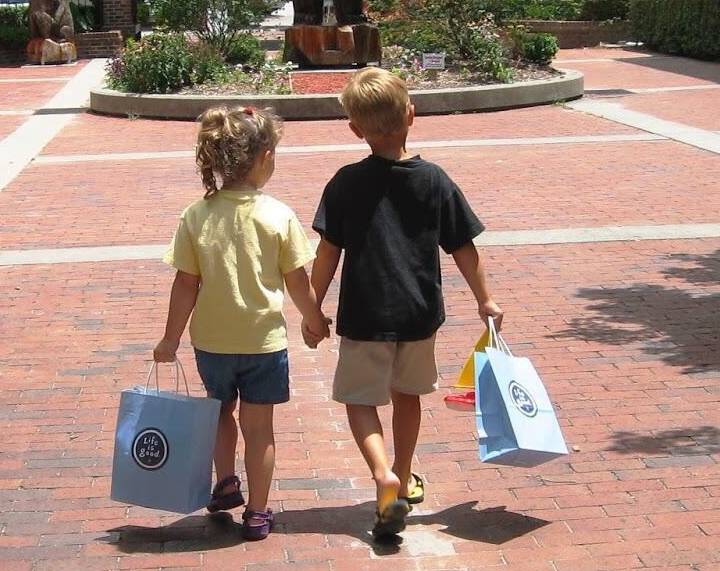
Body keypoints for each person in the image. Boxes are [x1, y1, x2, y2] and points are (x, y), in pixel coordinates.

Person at [307, 68, 502, 538]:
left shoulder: (345, 182)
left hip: (365, 314)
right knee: (407, 395)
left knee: (359, 400)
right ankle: (405, 469)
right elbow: (463, 246)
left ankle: (383, 475)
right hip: (419, 312)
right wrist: (486, 299)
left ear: (355, 129)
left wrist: (313, 310)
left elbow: (328, 253)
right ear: (411, 115)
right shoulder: (434, 180)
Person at [154, 106, 328, 541]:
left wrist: (170, 339)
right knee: (259, 428)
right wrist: (315, 320)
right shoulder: (278, 215)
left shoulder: (196, 215)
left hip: (211, 342)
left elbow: (186, 284)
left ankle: (226, 482)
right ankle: (257, 512)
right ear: (264, 157)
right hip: (263, 343)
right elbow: (297, 281)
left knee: (219, 413)